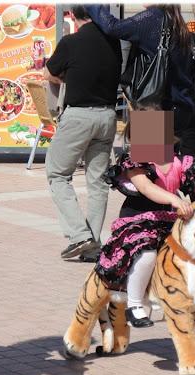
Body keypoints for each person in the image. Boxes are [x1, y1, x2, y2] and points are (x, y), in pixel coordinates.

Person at [97, 110, 195, 328]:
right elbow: (148, 189)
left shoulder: (179, 162)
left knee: (189, 254)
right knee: (147, 254)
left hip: (168, 221)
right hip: (139, 220)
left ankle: (175, 296)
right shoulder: (136, 163)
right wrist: (175, 200)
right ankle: (135, 304)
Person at [43, 5, 121, 261]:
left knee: (57, 173)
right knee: (97, 182)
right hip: (111, 116)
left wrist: (70, 78)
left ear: (74, 18)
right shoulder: (114, 42)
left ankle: (80, 235)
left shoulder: (71, 41)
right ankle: (94, 245)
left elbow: (49, 73)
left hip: (79, 116)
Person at [86, 4, 195, 159]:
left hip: (153, 108)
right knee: (182, 174)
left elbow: (112, 27)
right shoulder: (177, 23)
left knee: (150, 171)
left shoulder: (151, 18)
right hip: (184, 109)